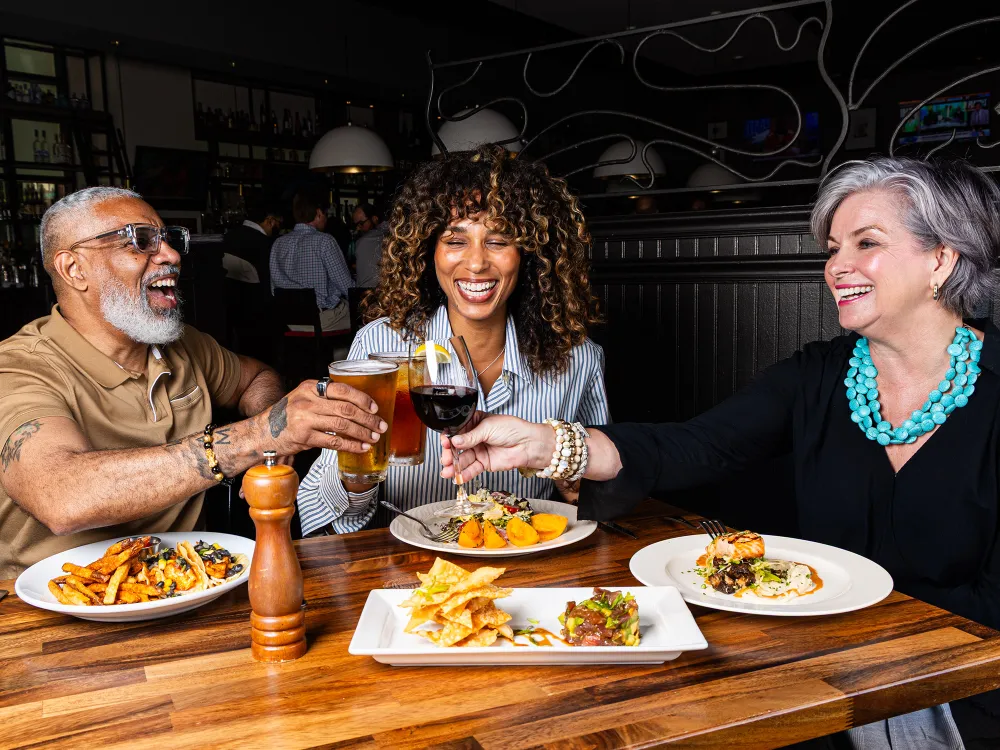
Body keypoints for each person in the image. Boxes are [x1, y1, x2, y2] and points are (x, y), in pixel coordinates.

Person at [439, 157, 1000, 750]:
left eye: (867, 243)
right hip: (821, 674)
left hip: (957, 692)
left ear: (941, 259)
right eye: (833, 248)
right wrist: (551, 445)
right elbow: (699, 446)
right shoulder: (817, 376)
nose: (838, 266)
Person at [0, 187, 390, 579]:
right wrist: (260, 435)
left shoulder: (182, 345)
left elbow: (257, 377)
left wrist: (272, 425)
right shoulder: (18, 368)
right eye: (140, 241)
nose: (170, 255)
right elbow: (63, 496)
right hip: (51, 614)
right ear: (73, 269)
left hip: (188, 588)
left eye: (168, 240)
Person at [297, 144, 610, 535]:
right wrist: (358, 476)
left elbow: (599, 502)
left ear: (527, 253)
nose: (476, 262)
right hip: (410, 581)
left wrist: (574, 484)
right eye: (455, 240)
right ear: (429, 251)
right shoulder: (380, 347)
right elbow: (315, 515)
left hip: (530, 575)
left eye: (498, 240)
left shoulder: (578, 360)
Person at [270, 186, 353, 331]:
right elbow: (347, 286)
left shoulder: (278, 243)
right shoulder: (324, 241)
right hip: (320, 319)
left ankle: (331, 353)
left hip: (288, 320)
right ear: (319, 213)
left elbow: (273, 289)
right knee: (367, 319)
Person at [221, 195, 283, 286]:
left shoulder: (227, 237)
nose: (279, 228)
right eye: (279, 224)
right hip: (257, 296)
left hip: (228, 295)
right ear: (270, 221)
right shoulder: (266, 245)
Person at [353, 201, 387, 289]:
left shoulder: (365, 241)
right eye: (356, 225)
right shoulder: (392, 232)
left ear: (375, 219)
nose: (358, 228)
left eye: (361, 223)